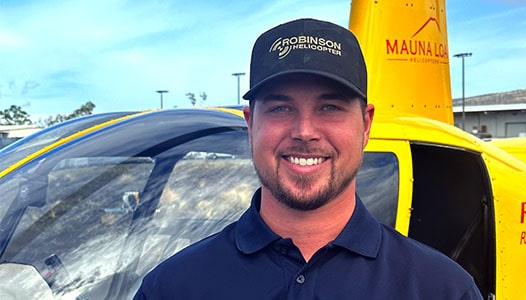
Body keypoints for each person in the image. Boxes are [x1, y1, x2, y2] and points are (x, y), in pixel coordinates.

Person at [133, 18, 483, 299]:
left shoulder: (443, 289)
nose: (304, 131)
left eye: (329, 107)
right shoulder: (171, 288)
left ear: (365, 125)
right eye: (281, 108)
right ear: (251, 123)